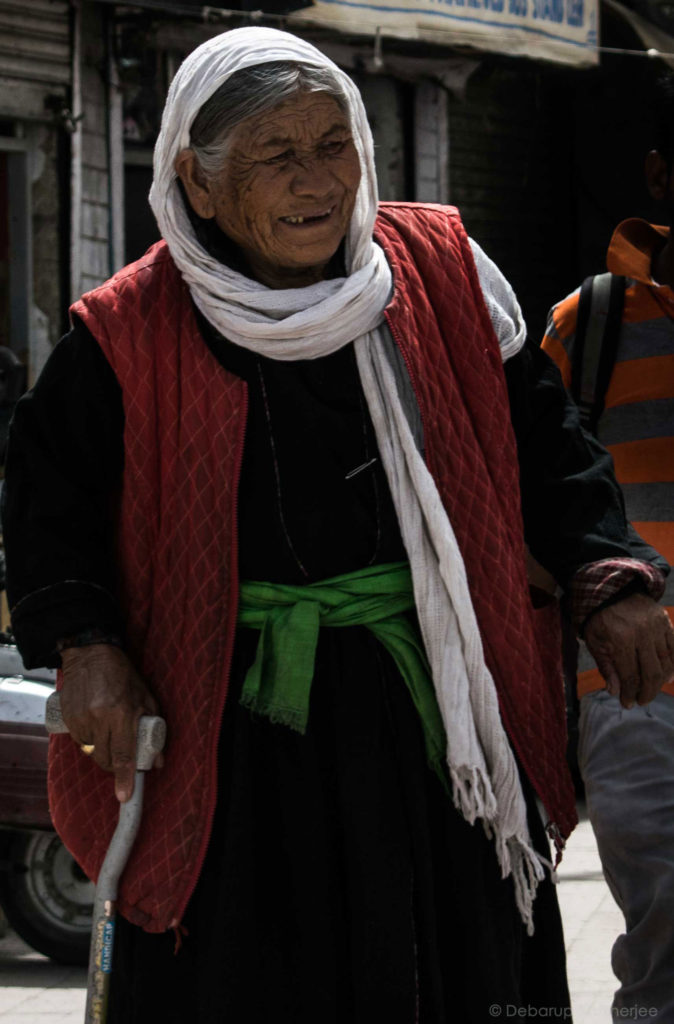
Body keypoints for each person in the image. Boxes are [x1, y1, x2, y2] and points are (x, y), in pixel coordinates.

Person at [4, 28, 674, 1023]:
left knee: (448, 964)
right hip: (223, 726)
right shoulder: (126, 330)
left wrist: (607, 577)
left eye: (333, 145)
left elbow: (549, 446)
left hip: (429, 717)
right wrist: (87, 643)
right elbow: (48, 506)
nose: (317, 182)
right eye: (276, 157)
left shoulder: (439, 274)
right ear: (195, 182)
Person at [542, 76, 674, 1022]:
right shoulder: (589, 326)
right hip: (635, 694)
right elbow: (534, 507)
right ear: (662, 177)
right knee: (665, 951)